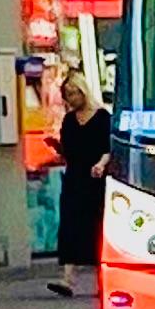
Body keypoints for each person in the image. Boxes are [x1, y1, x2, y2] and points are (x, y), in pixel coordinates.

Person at [49, 72, 111, 297]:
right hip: (75, 176)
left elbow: (108, 147)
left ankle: (104, 279)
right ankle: (67, 278)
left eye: (73, 93)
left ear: (82, 91)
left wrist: (102, 164)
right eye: (67, 95)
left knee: (96, 226)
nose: (71, 99)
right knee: (71, 225)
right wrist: (57, 148)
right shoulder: (69, 120)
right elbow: (68, 150)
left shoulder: (102, 117)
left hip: (95, 179)